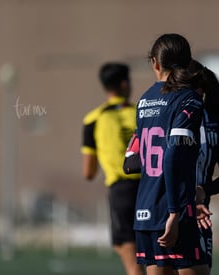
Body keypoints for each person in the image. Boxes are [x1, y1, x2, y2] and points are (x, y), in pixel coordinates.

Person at [130, 33, 210, 275]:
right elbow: (172, 154)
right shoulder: (189, 99)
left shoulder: (144, 100)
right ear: (188, 62)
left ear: (155, 63)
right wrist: (175, 210)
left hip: (144, 210)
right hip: (170, 212)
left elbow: (132, 161)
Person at [81, 62, 144, 275]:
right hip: (152, 186)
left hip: (122, 190)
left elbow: (88, 172)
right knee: (158, 255)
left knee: (128, 250)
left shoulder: (93, 119)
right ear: (125, 84)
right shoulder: (143, 112)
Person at [189, 60, 219, 272]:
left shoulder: (217, 123)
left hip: (198, 217)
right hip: (164, 214)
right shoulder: (167, 114)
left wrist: (203, 190)